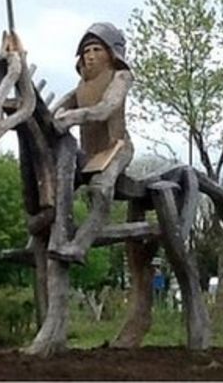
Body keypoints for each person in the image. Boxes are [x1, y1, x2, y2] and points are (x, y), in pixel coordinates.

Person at [49, 22, 134, 264]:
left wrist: (71, 117)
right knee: (55, 185)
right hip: (88, 154)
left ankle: (80, 245)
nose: (91, 56)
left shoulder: (121, 77)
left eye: (96, 49)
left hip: (116, 147)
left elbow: (106, 108)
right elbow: (56, 110)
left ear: (111, 53)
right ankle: (44, 237)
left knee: (100, 189)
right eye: (86, 51)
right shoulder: (81, 87)